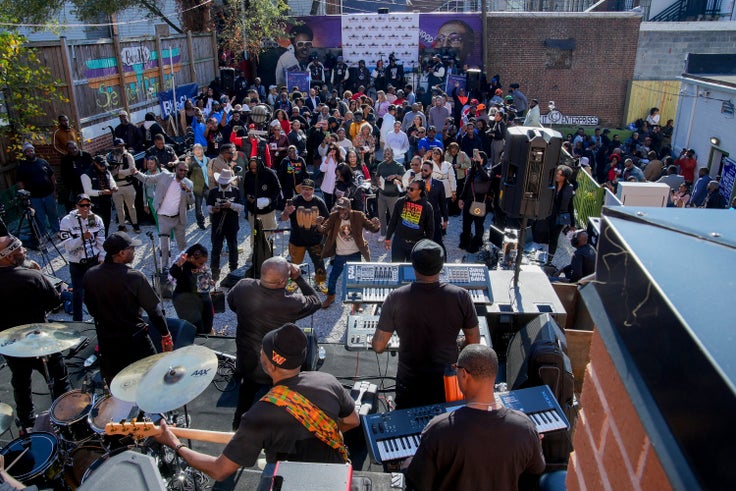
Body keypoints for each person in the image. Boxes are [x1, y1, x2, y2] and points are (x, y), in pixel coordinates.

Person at [153, 323, 359, 480]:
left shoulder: (259, 415)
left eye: (263, 349)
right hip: (335, 476)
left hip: (291, 480)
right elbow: (352, 421)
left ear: (269, 363)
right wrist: (321, 432)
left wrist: (175, 444)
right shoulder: (328, 381)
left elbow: (219, 470)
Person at [406, 344, 545, 490]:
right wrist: (536, 446)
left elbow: (419, 484)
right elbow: (537, 469)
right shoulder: (525, 427)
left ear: (464, 374)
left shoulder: (438, 429)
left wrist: (407, 466)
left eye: (456, 369)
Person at [373, 239, 479, 408]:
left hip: (410, 383)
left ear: (412, 265)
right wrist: (459, 345)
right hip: (448, 381)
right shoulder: (462, 296)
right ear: (442, 266)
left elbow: (378, 346)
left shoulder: (395, 297)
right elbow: (474, 343)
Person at [227, 257, 322, 429]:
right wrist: (299, 278)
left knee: (247, 389)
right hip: (277, 365)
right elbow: (316, 302)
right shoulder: (292, 302)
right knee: (282, 395)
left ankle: (237, 425)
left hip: (247, 360)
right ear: (283, 280)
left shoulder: (243, 286)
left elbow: (231, 303)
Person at [84, 232, 173, 385]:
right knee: (150, 380)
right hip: (135, 342)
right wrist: (165, 334)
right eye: (131, 248)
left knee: (117, 384)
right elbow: (154, 311)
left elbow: (91, 309)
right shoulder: (134, 277)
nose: (134, 251)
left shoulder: (90, 275)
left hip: (107, 342)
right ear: (121, 253)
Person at [0, 235, 70, 429]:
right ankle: (65, 416)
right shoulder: (31, 276)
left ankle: (28, 424)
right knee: (59, 376)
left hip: (11, 344)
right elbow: (54, 302)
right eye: (20, 249)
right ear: (9, 256)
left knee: (21, 382)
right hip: (40, 340)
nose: (25, 251)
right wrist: (40, 276)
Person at [317, 197, 380, 309]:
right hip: (340, 254)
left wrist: (376, 225)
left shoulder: (358, 215)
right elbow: (323, 230)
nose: (341, 211)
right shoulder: (334, 216)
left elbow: (372, 228)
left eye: (343, 209)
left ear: (349, 208)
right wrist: (318, 224)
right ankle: (331, 296)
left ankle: (356, 301)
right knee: (332, 277)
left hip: (355, 253)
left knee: (356, 279)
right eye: (339, 209)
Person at [132, 160, 194, 272]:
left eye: (185, 171)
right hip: (163, 217)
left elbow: (191, 201)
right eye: (181, 170)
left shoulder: (188, 183)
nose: (183, 172)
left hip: (178, 218)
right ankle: (164, 267)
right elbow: (148, 179)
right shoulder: (164, 176)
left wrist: (188, 191)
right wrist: (136, 173)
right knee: (164, 245)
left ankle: (185, 265)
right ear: (175, 169)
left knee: (182, 244)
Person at [59, 194, 105, 321]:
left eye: (88, 205)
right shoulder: (66, 221)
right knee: (78, 294)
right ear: (76, 206)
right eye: (82, 205)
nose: (85, 208)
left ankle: (101, 318)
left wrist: (102, 256)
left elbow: (100, 240)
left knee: (96, 291)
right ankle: (77, 321)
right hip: (77, 263)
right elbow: (67, 246)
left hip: (93, 260)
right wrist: (81, 238)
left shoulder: (95, 219)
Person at [281, 179, 329, 293]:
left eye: (309, 189)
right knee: (294, 264)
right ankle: (293, 281)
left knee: (319, 263)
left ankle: (320, 282)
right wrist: (287, 212)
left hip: (315, 240)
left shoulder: (319, 202)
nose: (306, 192)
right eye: (304, 189)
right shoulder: (294, 200)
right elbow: (283, 218)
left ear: (313, 190)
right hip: (297, 240)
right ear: (300, 189)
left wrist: (321, 224)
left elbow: (328, 219)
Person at [206, 168, 244, 283]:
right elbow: (208, 206)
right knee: (216, 247)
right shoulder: (213, 192)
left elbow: (241, 207)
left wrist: (230, 205)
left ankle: (233, 271)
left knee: (233, 247)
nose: (223, 185)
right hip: (217, 223)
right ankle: (215, 272)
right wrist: (213, 209)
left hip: (231, 223)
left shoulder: (236, 191)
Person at [16, 143, 60, 240]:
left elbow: (52, 176)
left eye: (31, 150)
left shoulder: (43, 162)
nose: (30, 152)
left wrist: (55, 190)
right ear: (24, 153)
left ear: (34, 151)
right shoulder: (22, 167)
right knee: (39, 218)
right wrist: (25, 197)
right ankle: (43, 235)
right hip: (34, 197)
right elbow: (20, 183)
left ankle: (57, 231)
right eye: (27, 151)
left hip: (49, 194)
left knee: (53, 214)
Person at [170, 244, 214, 335]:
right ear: (191, 258)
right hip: (186, 301)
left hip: (203, 298)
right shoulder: (183, 266)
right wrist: (179, 264)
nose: (202, 265)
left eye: (204, 263)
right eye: (200, 263)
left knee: (208, 327)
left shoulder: (201, 266)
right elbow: (173, 273)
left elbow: (205, 274)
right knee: (197, 330)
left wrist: (210, 280)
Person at [385, 181, 435, 262]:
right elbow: (393, 221)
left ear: (419, 191)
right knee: (397, 267)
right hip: (399, 242)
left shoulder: (427, 207)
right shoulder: (400, 202)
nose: (408, 191)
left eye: (411, 189)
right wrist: (388, 238)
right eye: (408, 188)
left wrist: (427, 246)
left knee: (412, 270)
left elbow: (430, 229)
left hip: (416, 244)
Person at [242, 156, 282, 247]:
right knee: (254, 231)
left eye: (255, 168)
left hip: (267, 210)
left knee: (268, 230)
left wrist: (269, 200)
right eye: (251, 168)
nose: (253, 170)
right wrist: (248, 196)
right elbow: (245, 189)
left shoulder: (270, 173)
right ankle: (254, 252)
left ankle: (268, 250)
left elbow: (277, 189)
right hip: (253, 210)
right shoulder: (248, 174)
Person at [459, 151, 491, 253]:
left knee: (478, 224)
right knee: (466, 223)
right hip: (469, 200)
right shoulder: (472, 170)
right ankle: (466, 241)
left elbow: (486, 177)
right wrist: (461, 198)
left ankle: (477, 243)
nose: (475, 159)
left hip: (479, 202)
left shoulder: (488, 170)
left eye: (478, 157)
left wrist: (479, 165)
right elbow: (467, 183)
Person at [107, 138, 140, 233]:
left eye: (122, 145)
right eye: (119, 146)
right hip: (116, 186)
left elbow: (132, 170)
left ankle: (135, 225)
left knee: (131, 207)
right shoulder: (110, 157)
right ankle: (122, 225)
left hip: (128, 185)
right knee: (119, 208)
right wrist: (118, 173)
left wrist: (119, 172)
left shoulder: (128, 156)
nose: (121, 147)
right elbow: (109, 172)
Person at [374, 148, 406, 238]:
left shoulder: (398, 166)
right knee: (381, 215)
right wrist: (378, 181)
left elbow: (405, 177)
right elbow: (377, 176)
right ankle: (383, 234)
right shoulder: (380, 165)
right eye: (385, 154)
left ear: (392, 155)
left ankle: (396, 234)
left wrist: (395, 176)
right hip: (382, 194)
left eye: (388, 154)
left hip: (393, 196)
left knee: (394, 216)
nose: (386, 155)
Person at [81, 155, 116, 237]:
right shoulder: (86, 174)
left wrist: (114, 186)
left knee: (106, 222)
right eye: (101, 165)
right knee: (93, 224)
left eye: (104, 165)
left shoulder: (106, 171)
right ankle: (93, 240)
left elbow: (111, 180)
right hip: (93, 204)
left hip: (107, 202)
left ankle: (105, 238)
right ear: (95, 164)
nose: (103, 167)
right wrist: (102, 192)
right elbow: (87, 191)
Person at [419, 161, 448, 251]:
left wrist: (445, 219)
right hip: (420, 218)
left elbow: (443, 202)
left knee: (437, 242)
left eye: (425, 170)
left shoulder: (439, 184)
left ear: (431, 171)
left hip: (435, 217)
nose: (423, 172)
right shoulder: (417, 184)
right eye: (422, 170)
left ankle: (443, 261)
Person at [548, 165, 575, 261]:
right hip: (548, 214)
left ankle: (549, 259)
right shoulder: (550, 184)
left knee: (554, 238)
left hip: (559, 217)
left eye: (560, 175)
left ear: (565, 177)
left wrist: (572, 223)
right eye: (557, 173)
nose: (557, 176)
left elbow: (570, 206)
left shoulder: (569, 188)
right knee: (545, 235)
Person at [59, 141, 92, 212]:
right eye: (70, 148)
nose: (73, 150)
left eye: (75, 148)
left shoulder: (85, 155)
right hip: (73, 187)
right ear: (67, 149)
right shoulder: (65, 159)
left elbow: (92, 168)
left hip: (86, 184)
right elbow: (64, 174)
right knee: (75, 204)